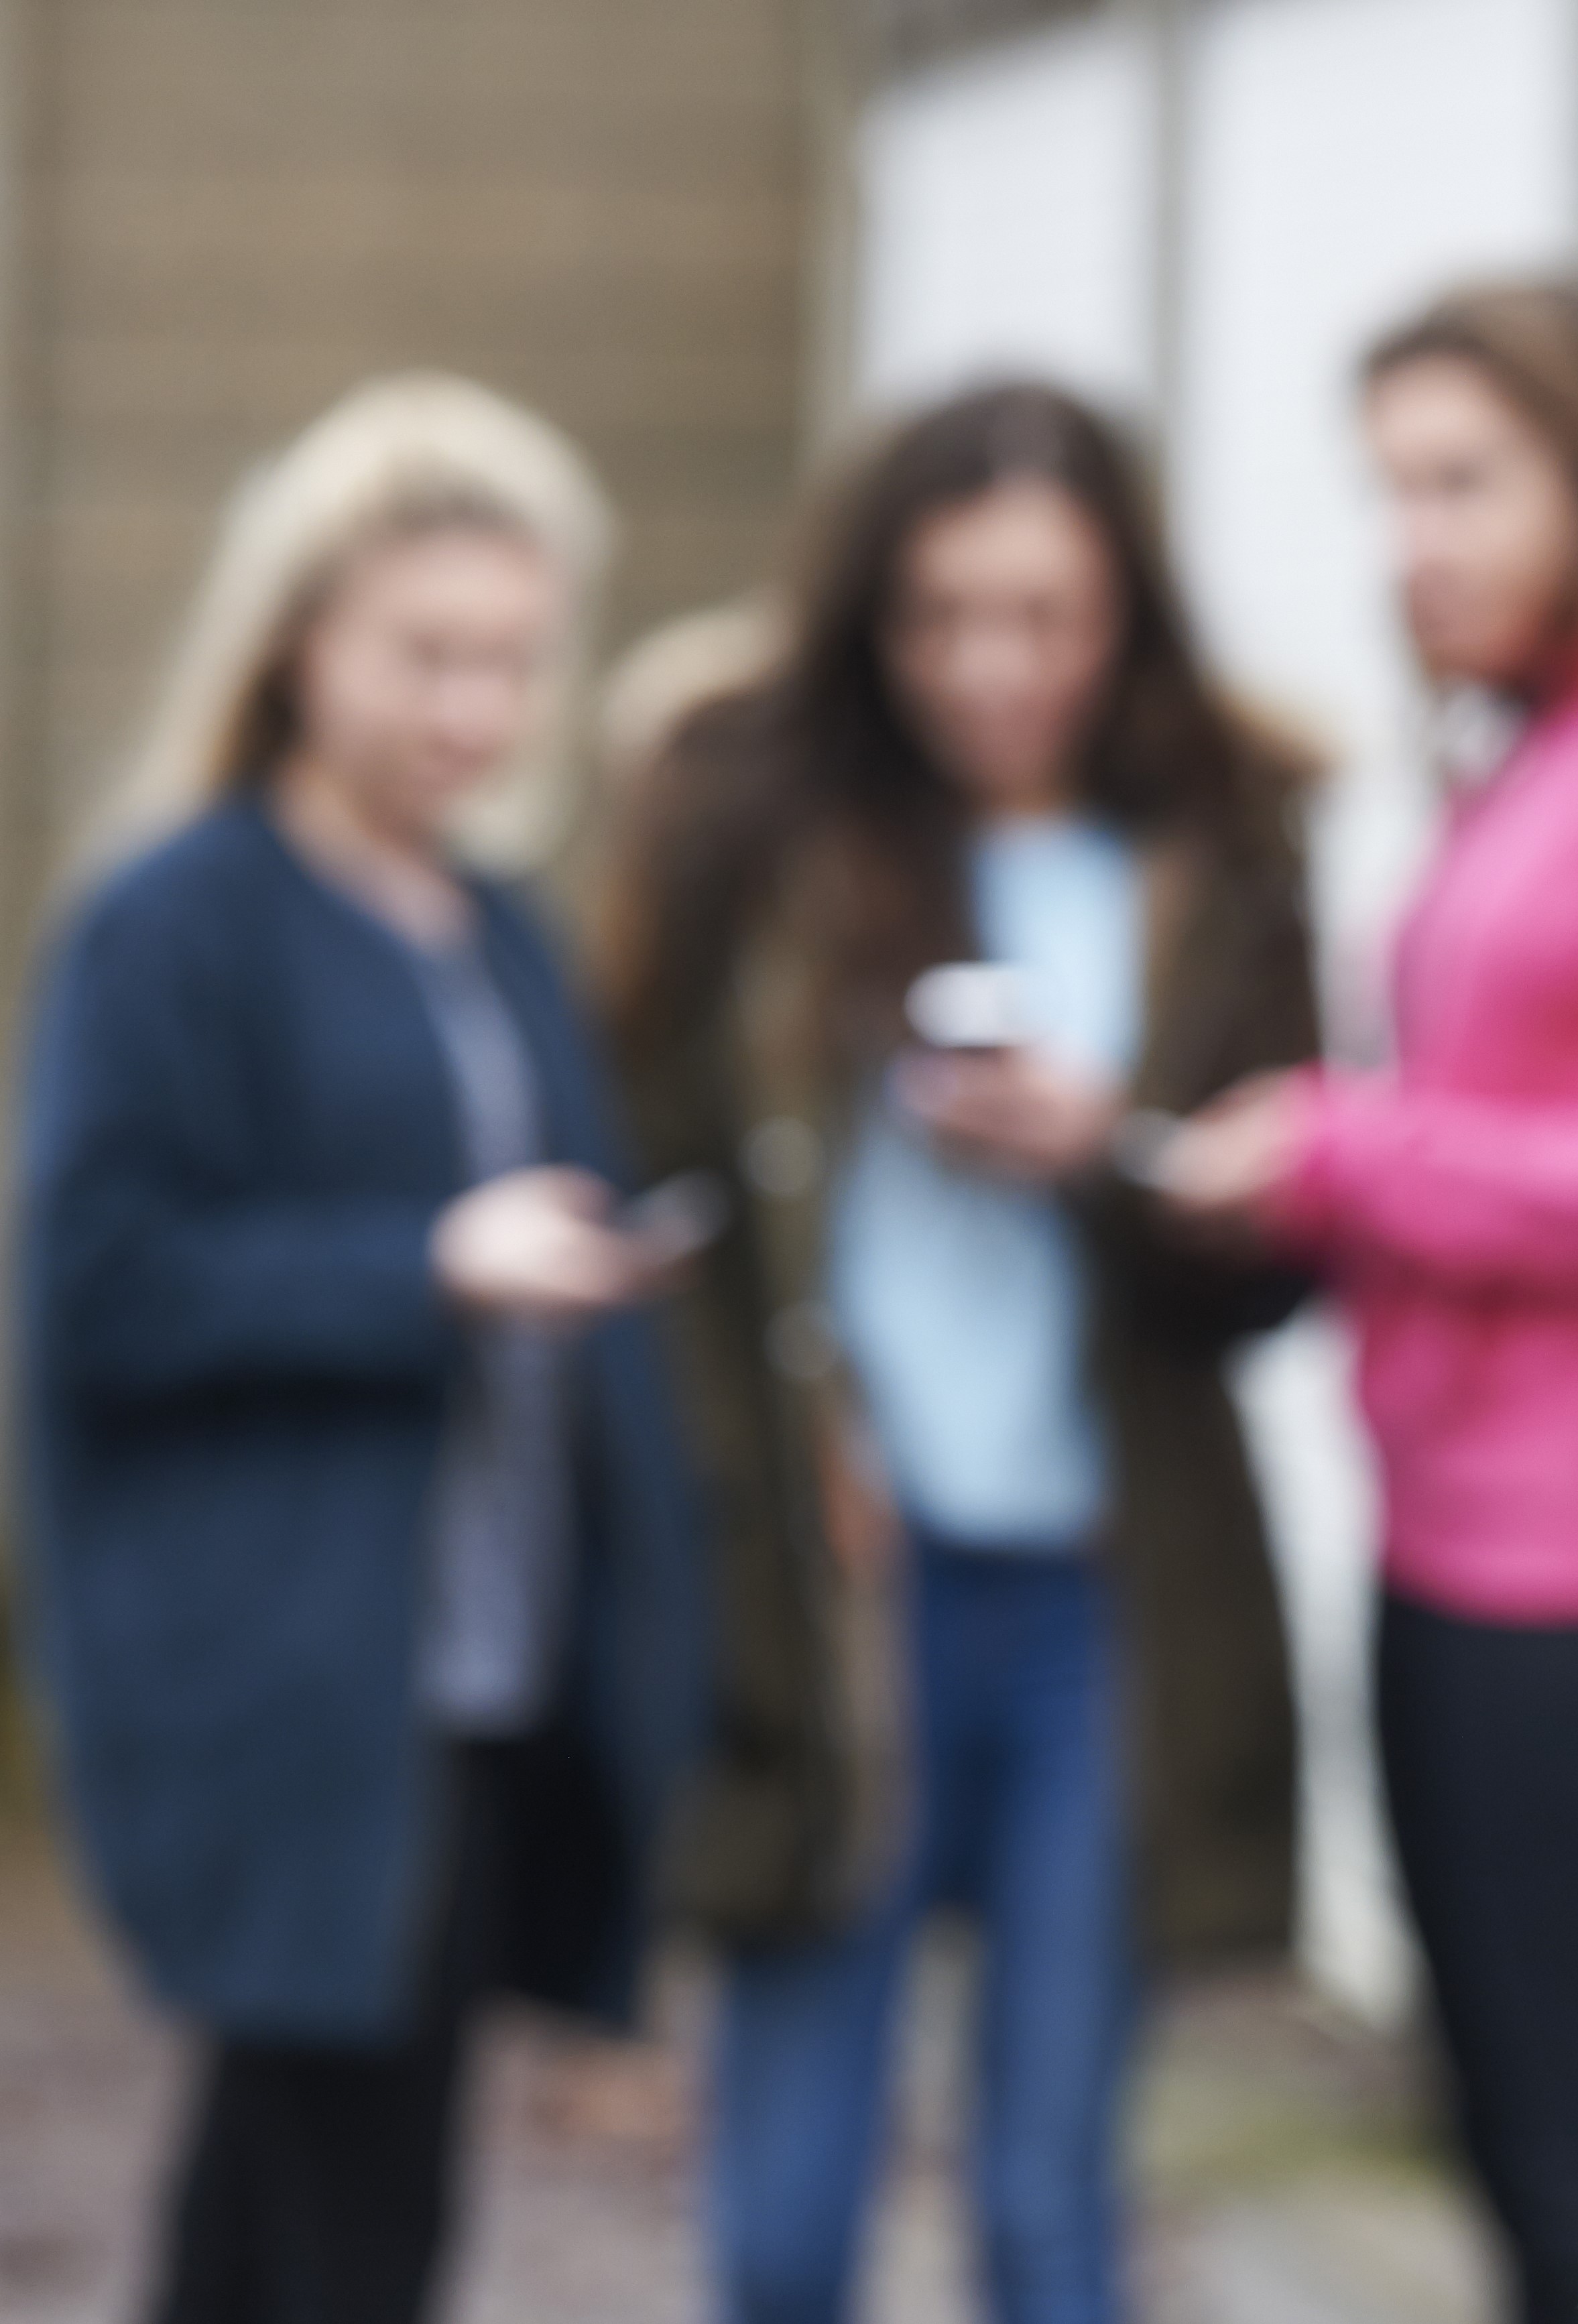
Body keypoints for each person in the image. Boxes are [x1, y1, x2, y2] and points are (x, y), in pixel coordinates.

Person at [1148, 280, 1578, 2324]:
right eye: (1389, 493)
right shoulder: (1550, 728)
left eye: (1464, 480)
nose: (1416, 541)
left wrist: (1359, 1153)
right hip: (1452, 1549)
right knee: (1497, 2152)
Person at [600, 381, 1317, 2324]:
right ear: (868, 615)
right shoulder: (751, 822)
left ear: (1124, 614)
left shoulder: (1225, 845)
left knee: (1048, 2208)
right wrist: (766, 1460)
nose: (990, 664)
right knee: (780, 2220)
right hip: (843, 1585)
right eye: (938, 614)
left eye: (1044, 614)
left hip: (1103, 1591)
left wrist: (1115, 1152)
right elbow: (648, 1189)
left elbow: (1271, 1269)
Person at [12, 373, 704, 2324]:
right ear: (299, 632)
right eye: (426, 655)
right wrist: (423, 1263)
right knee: (353, 2201)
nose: (474, 712)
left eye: (511, 662)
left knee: (287, 2175)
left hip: (485, 1663)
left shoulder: (490, 917)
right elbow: (100, 1283)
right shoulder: (175, 919)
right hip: (303, 1689)